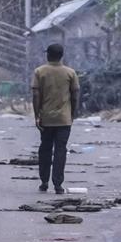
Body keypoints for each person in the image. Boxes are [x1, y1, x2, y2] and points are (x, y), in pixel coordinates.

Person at [31, 43, 80, 194]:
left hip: (46, 118)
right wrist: (72, 114)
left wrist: (37, 114)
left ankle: (44, 181)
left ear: (48, 55)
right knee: (61, 150)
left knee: (45, 149)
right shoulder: (70, 73)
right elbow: (75, 95)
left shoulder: (40, 72)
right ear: (61, 55)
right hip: (64, 119)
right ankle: (58, 184)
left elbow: (36, 95)